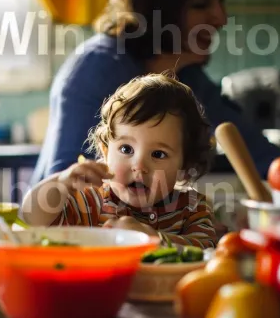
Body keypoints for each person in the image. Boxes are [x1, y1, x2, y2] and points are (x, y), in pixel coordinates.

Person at [30, 0, 280, 186]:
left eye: (220, 1)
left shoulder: (185, 74)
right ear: (157, 9)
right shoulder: (97, 69)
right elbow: (68, 185)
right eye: (201, 4)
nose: (221, 18)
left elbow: (258, 154)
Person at [21, 72, 217, 248]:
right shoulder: (89, 202)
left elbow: (206, 250)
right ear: (106, 152)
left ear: (184, 164)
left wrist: (152, 239)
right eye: (126, 149)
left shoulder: (192, 208)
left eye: (158, 154)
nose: (139, 166)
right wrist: (61, 183)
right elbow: (31, 219)